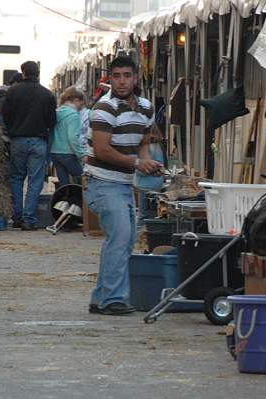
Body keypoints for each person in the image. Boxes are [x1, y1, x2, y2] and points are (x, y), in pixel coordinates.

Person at [84, 56, 163, 316]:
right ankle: (113, 299)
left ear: (135, 78)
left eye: (126, 75)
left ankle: (101, 298)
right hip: (102, 182)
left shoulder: (146, 107)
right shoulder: (104, 108)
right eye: (116, 76)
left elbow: (144, 139)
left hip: (124, 183)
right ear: (110, 78)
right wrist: (137, 163)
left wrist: (147, 159)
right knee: (119, 238)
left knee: (125, 240)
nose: (121, 81)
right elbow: (102, 149)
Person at [1, 61, 57, 230]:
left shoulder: (12, 92)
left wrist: (12, 130)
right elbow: (52, 120)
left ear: (23, 73)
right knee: (35, 180)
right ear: (38, 73)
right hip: (39, 141)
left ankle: (17, 216)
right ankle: (29, 218)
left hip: (18, 140)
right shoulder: (47, 95)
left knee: (16, 178)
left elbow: (5, 116)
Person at [50, 86, 86, 189]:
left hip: (55, 152)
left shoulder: (57, 112)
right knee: (81, 180)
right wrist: (81, 155)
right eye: (81, 104)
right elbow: (73, 138)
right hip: (68, 153)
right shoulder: (73, 116)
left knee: (64, 185)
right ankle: (80, 203)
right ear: (76, 100)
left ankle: (66, 202)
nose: (81, 107)